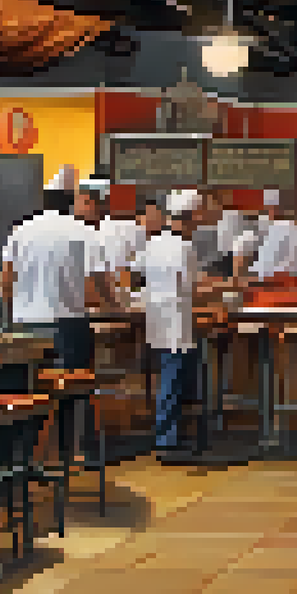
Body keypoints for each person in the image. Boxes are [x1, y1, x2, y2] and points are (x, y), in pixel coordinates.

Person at [1, 184, 113, 458]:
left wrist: (8, 319)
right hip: (68, 323)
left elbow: (6, 281)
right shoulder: (83, 232)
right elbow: (99, 278)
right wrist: (115, 304)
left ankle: (26, 457)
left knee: (30, 391)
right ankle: (72, 453)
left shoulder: (21, 230)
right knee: (73, 390)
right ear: (72, 203)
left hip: (26, 324)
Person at [134, 189, 202, 461]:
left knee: (170, 376)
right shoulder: (185, 247)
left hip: (157, 316)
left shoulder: (153, 243)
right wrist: (227, 288)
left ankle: (170, 434)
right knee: (172, 379)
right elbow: (191, 288)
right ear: (190, 219)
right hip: (175, 318)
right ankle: (166, 439)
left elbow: (135, 272)